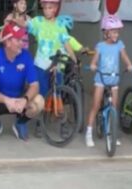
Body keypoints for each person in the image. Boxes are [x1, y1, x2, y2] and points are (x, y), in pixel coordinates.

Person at [10, 0, 77, 136]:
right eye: (45, 8)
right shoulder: (38, 21)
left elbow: (66, 43)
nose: (47, 10)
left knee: (58, 94)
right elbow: (25, 25)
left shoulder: (60, 25)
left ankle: (62, 123)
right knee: (41, 95)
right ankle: (41, 122)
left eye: (50, 8)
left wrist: (74, 60)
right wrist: (15, 20)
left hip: (56, 65)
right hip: (40, 65)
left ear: (55, 9)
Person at [0, 23, 44, 141]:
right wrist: (6, 100)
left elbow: (35, 85)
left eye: (22, 39)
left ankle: (20, 123)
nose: (22, 42)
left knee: (39, 102)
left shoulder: (26, 56)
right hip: (0, 100)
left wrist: (25, 99)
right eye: (18, 39)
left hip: (20, 100)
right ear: (8, 42)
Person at [85, 14, 132, 147]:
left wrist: (129, 64)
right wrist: (93, 65)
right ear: (106, 32)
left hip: (114, 78)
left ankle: (112, 134)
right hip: (101, 78)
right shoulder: (100, 46)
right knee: (95, 105)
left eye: (117, 32)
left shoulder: (119, 45)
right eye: (113, 31)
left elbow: (124, 56)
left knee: (114, 107)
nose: (116, 34)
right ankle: (89, 133)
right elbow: (94, 61)